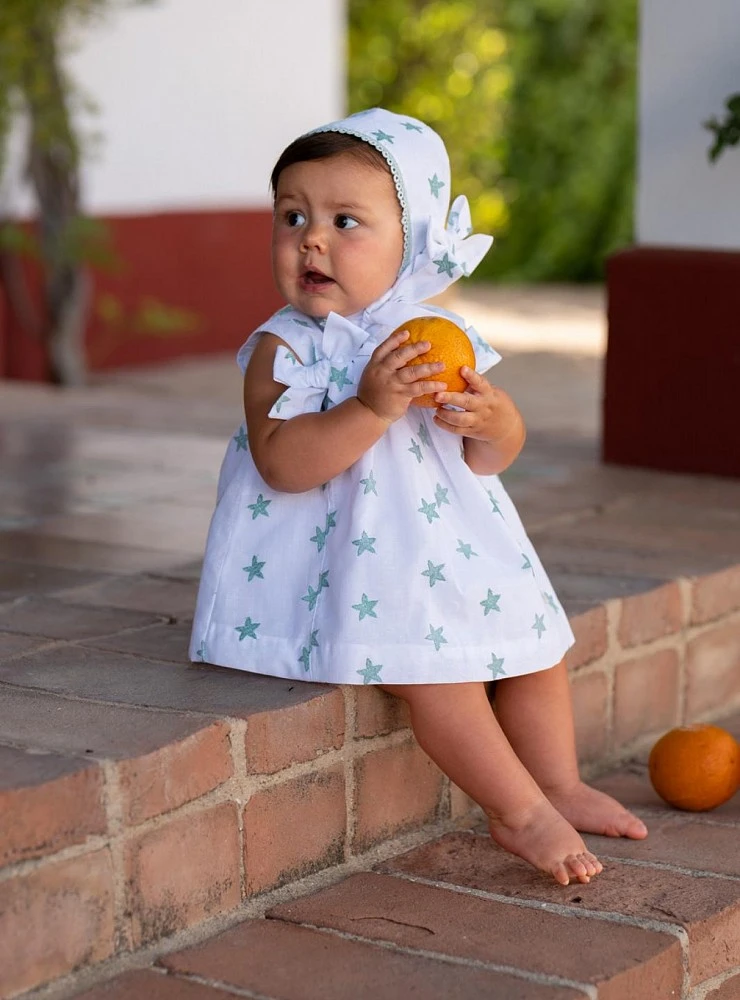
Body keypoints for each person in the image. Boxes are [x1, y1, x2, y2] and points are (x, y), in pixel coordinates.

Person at [190, 108, 648, 885]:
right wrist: (367, 408)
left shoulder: (435, 333)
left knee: (536, 639)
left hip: (448, 541)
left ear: (415, 243)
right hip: (350, 564)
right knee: (439, 673)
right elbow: (281, 465)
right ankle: (517, 810)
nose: (311, 239)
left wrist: (498, 423)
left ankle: (560, 783)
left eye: (345, 220)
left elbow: (488, 456)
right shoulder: (284, 347)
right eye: (292, 215)